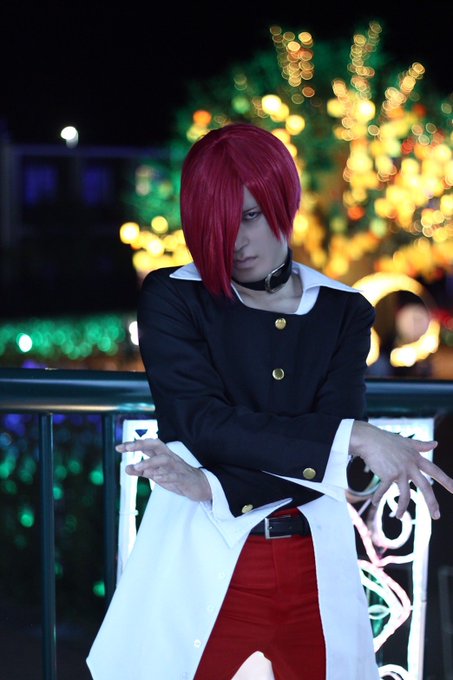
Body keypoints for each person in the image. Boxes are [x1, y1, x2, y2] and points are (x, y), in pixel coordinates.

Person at [87, 123, 453, 680]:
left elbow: (320, 458)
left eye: (251, 215)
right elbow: (202, 424)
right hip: (202, 558)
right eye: (217, 222)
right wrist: (350, 438)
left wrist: (211, 484)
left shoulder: (343, 310)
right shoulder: (174, 297)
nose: (235, 240)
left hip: (315, 564)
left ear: (284, 199)